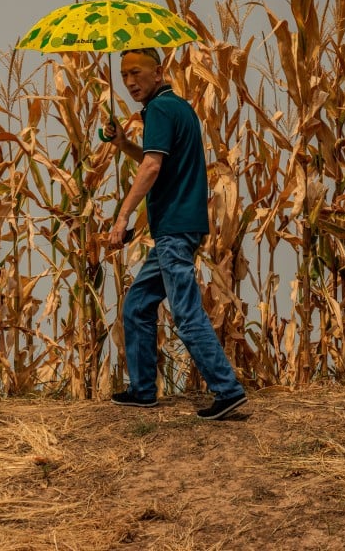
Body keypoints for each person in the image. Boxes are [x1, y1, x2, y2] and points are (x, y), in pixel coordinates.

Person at [104, 46, 248, 420]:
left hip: (174, 228)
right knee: (137, 305)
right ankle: (142, 391)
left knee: (185, 312)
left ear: (159, 70)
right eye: (124, 76)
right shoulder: (176, 107)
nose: (130, 82)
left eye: (137, 72)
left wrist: (121, 218)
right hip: (177, 227)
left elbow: (152, 168)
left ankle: (227, 390)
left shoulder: (161, 110)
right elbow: (158, 159)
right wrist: (123, 144)